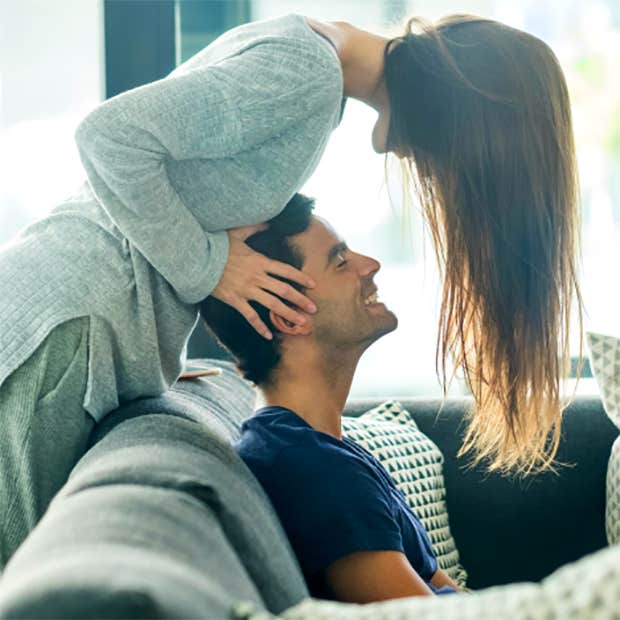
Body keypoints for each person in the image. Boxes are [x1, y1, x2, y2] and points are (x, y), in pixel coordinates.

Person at [0, 12, 581, 567]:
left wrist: (162, 349)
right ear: (463, 114)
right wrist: (210, 268)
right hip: (63, 326)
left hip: (81, 327)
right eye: (459, 163)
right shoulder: (306, 74)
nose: (433, 173)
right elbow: (108, 136)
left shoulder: (312, 78)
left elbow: (180, 187)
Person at [202, 193, 460, 603]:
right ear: (289, 316)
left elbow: (449, 592)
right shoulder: (313, 470)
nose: (369, 266)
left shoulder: (325, 448)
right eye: (341, 262)